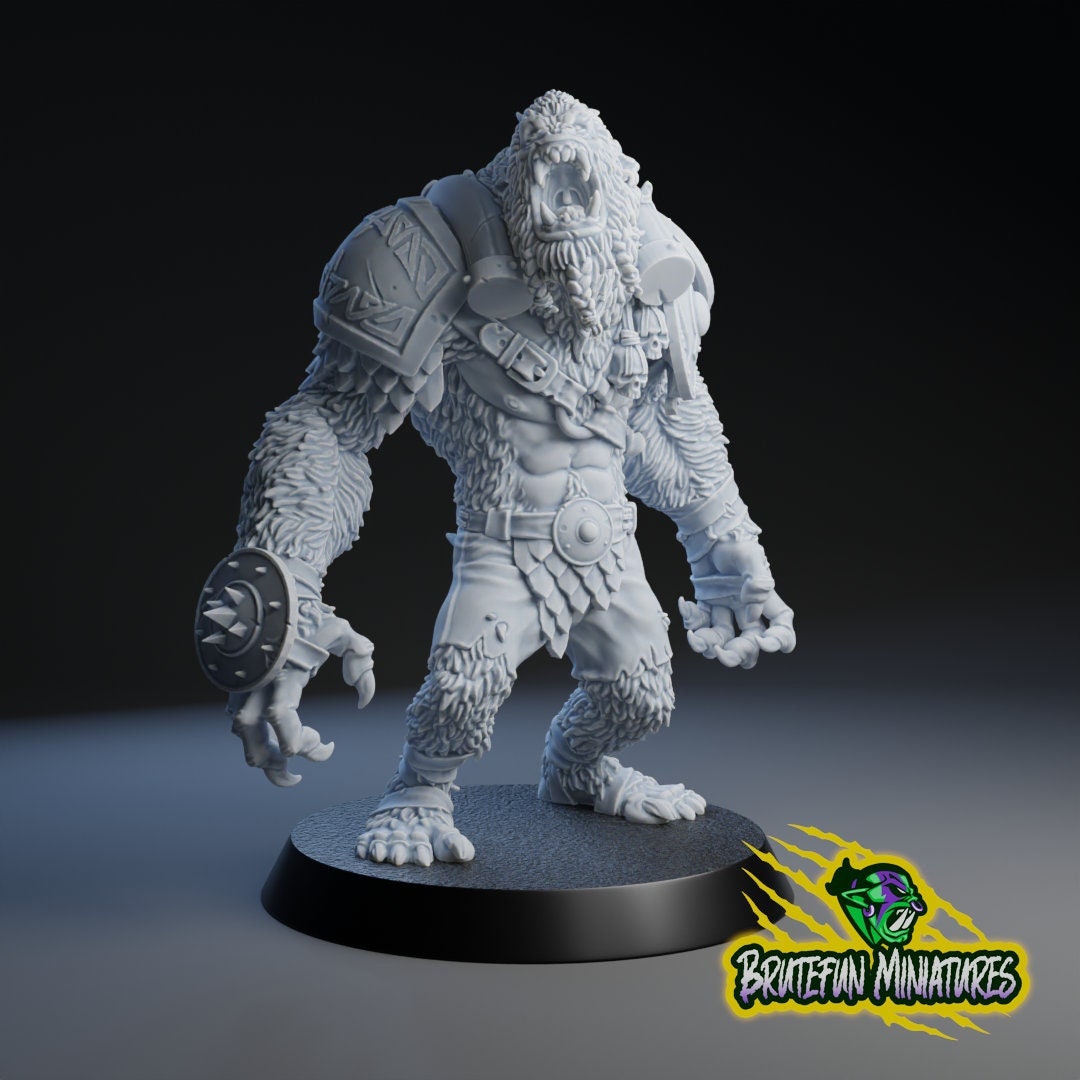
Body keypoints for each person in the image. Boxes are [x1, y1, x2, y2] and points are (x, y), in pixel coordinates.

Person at [195, 89, 795, 866]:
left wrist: (726, 551)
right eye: (551, 185)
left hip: (609, 541)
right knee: (462, 692)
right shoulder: (420, 256)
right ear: (520, 189)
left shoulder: (655, 270)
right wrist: (283, 587)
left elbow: (667, 421)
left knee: (642, 696)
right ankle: (418, 795)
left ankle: (579, 768)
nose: (567, 206)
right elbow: (330, 424)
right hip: (503, 533)